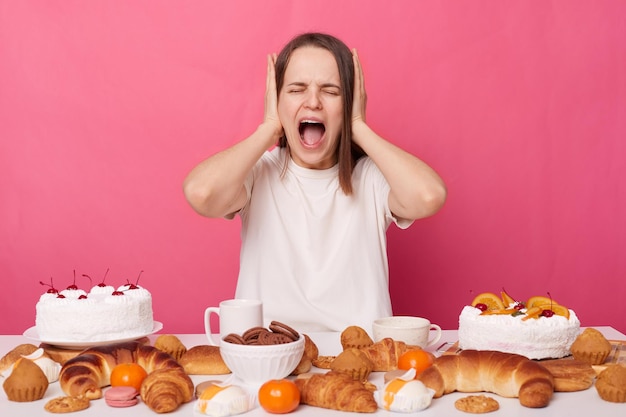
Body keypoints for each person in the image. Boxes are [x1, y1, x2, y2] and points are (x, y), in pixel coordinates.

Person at [183, 32, 446, 332]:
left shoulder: (371, 179)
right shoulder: (258, 174)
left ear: (350, 103)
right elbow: (201, 193)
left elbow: (429, 196)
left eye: (330, 91)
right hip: (268, 358)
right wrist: (268, 128)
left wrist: (358, 126)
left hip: (357, 363)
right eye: (296, 89)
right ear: (276, 100)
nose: (313, 102)